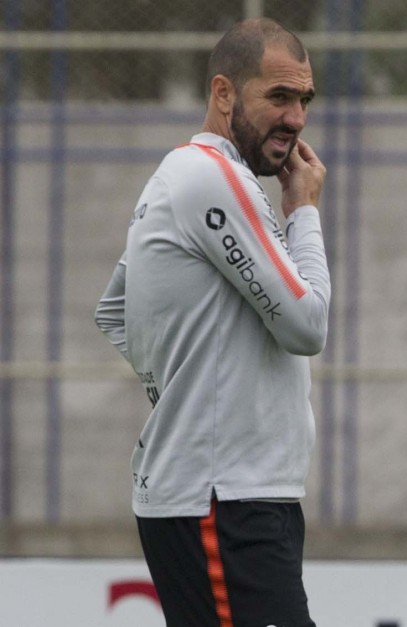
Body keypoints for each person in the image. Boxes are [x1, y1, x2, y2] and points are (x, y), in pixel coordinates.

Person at [94, 18, 330, 627]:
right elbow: (307, 326)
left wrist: (181, 388)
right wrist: (303, 211)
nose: (297, 118)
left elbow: (114, 311)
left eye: (303, 99)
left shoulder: (181, 176)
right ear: (223, 94)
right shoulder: (211, 177)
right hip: (223, 499)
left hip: (233, 496)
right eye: (278, 96)